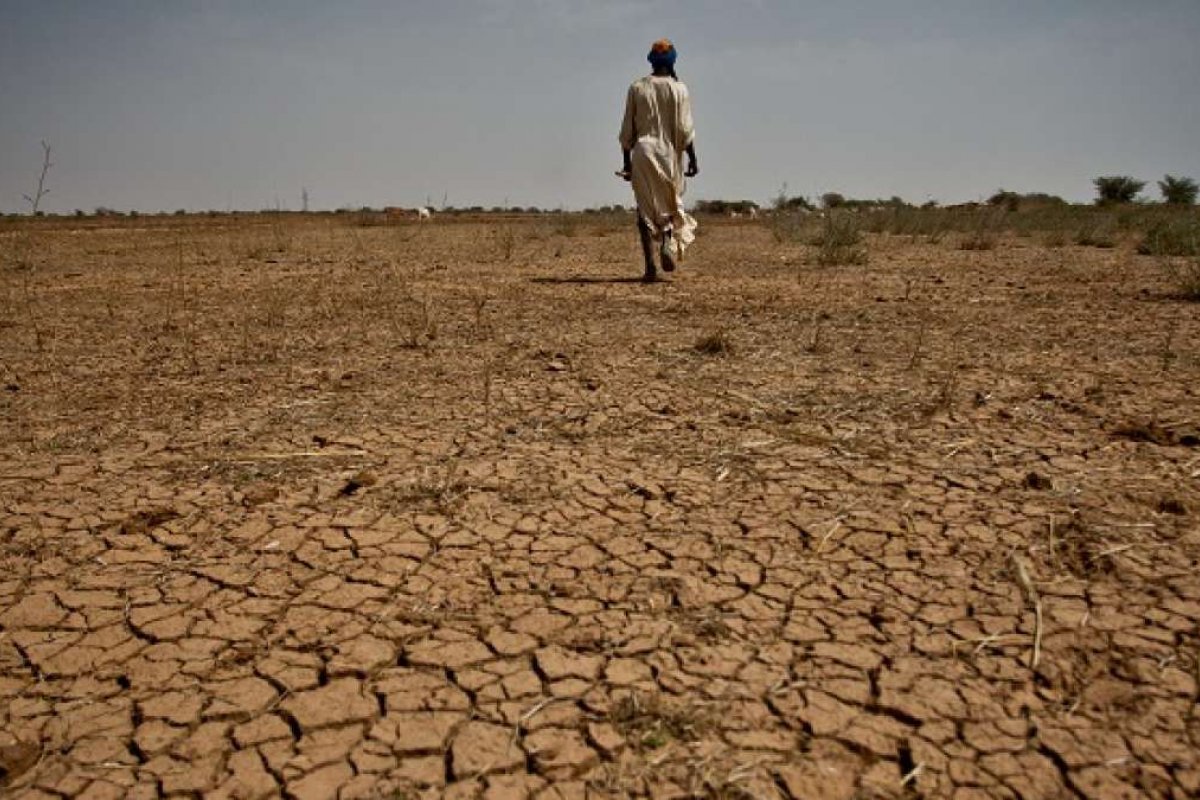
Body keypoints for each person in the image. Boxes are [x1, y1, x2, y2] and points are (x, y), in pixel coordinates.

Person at [618, 39, 699, 282]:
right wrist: (693, 158)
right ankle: (667, 239)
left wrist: (626, 163)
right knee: (671, 206)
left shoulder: (637, 88)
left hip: (643, 152)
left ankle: (650, 268)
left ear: (651, 61)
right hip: (669, 155)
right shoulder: (679, 89)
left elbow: (627, 130)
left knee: (644, 211)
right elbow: (685, 130)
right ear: (673, 61)